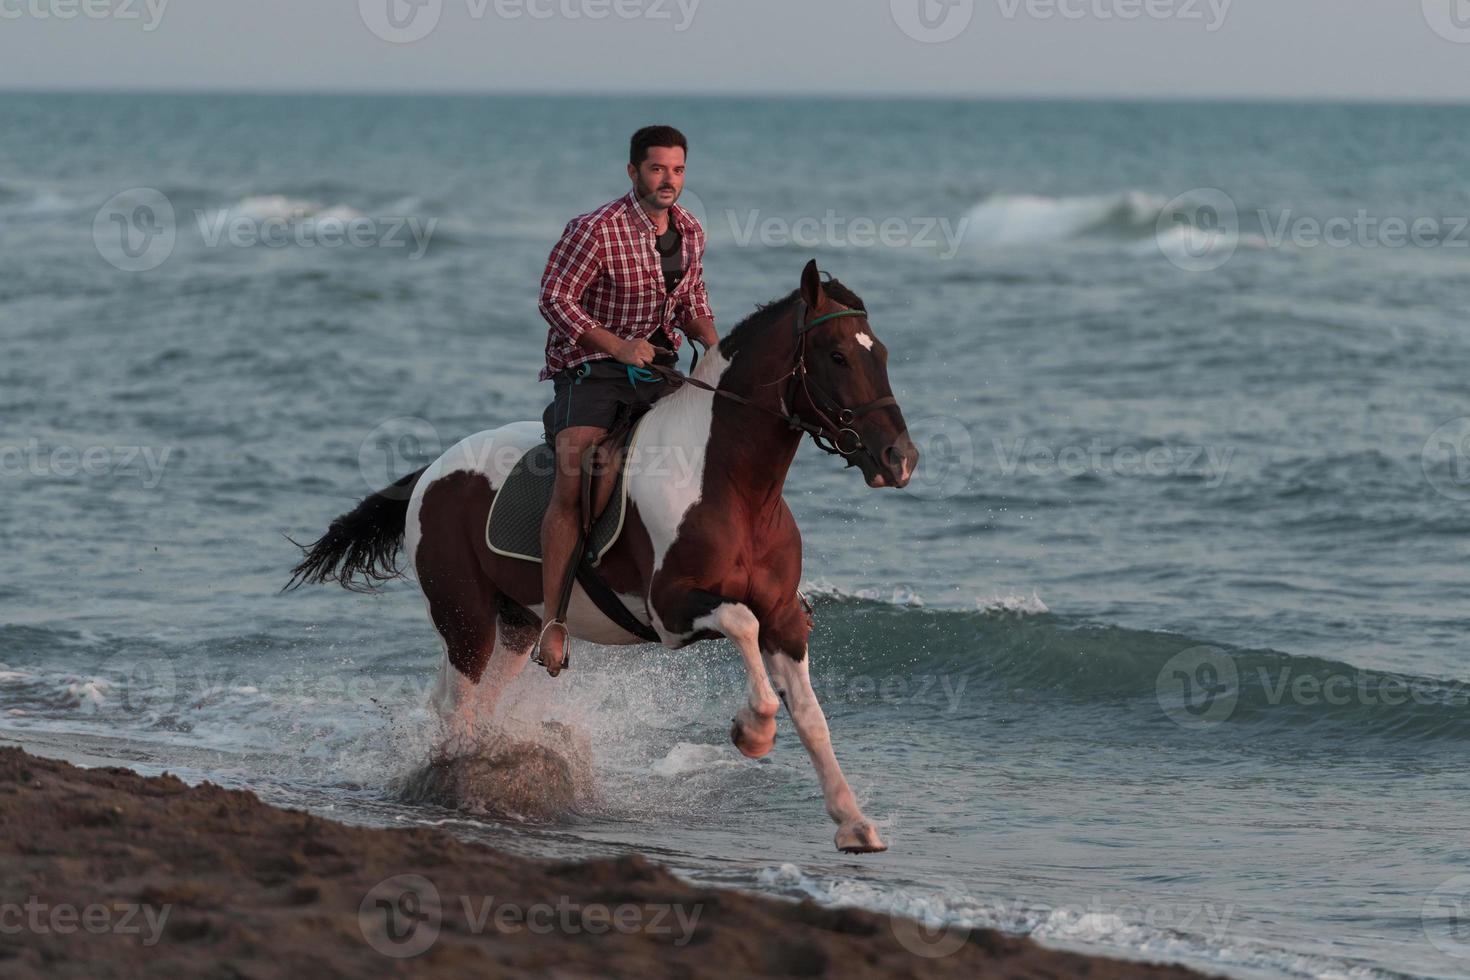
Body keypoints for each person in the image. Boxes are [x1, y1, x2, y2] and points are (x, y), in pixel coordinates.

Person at [533, 124, 718, 676]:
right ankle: (554, 621)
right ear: (633, 171)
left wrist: (714, 344)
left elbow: (692, 301)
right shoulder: (595, 229)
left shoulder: (689, 230)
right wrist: (618, 346)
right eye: (658, 168)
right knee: (577, 469)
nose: (669, 180)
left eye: (678, 170)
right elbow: (554, 298)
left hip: (659, 371)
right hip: (591, 371)